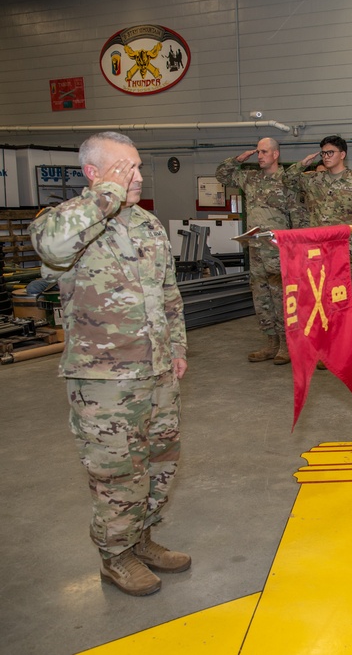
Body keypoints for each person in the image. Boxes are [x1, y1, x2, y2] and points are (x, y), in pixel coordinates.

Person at [30, 132, 189, 597]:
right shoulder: (63, 221)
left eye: (138, 167)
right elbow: (53, 249)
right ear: (94, 173)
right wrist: (106, 197)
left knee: (160, 461)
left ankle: (142, 539)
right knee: (117, 472)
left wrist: (177, 348)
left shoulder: (148, 225)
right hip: (103, 380)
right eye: (127, 169)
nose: (137, 177)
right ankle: (115, 557)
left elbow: (168, 293)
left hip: (157, 370)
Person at [216, 138, 296, 364]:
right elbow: (222, 175)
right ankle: (270, 343)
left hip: (278, 248)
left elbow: (298, 214)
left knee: (281, 297)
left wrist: (296, 245)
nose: (260, 156)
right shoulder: (250, 178)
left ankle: (286, 345)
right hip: (256, 248)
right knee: (260, 296)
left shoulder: (287, 180)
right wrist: (238, 160)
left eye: (264, 152)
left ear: (276, 154)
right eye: (258, 152)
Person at [282, 135, 352, 326]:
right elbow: (287, 180)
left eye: (330, 152)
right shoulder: (314, 181)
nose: (326, 156)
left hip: (346, 253)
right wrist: (302, 164)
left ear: (342, 154)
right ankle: (326, 349)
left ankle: (346, 349)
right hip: (318, 253)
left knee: (345, 302)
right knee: (319, 301)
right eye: (323, 153)